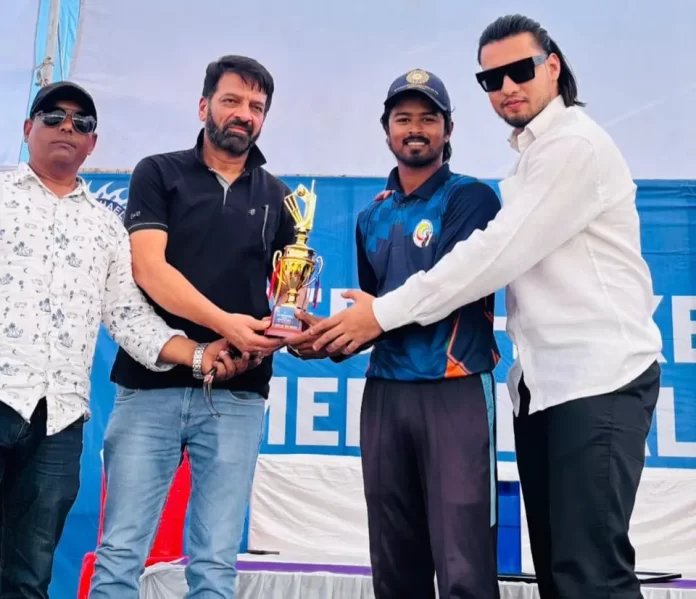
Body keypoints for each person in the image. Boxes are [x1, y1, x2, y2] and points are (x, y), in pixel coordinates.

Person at [306, 14, 664, 599]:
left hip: (598, 379)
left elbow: (491, 256)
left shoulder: (571, 146)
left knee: (590, 575)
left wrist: (380, 314)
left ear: (553, 66)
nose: (507, 88)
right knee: (561, 574)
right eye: (492, 79)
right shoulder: (526, 160)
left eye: (520, 70)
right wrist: (344, 330)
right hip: (545, 385)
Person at [0, 81, 242, 599]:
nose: (68, 127)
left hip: (58, 421)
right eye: (53, 116)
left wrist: (201, 355)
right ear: (27, 128)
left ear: (93, 143)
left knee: (28, 576)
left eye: (82, 123)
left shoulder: (106, 227)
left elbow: (130, 317)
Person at [289, 69, 502, 599]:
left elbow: (448, 290)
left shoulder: (472, 199)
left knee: (463, 563)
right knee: (394, 562)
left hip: (453, 388)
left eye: (428, 119)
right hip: (386, 393)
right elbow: (375, 315)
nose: (415, 129)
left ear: (448, 129)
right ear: (385, 129)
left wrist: (369, 321)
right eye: (403, 119)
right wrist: (329, 340)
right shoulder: (372, 215)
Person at [88, 55, 295, 599]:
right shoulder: (158, 173)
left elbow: (285, 301)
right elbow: (149, 269)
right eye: (231, 100)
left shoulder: (280, 198)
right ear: (204, 106)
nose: (243, 114)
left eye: (256, 106)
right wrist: (224, 327)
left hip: (237, 394)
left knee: (215, 564)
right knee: (120, 554)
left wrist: (272, 339)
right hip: (149, 387)